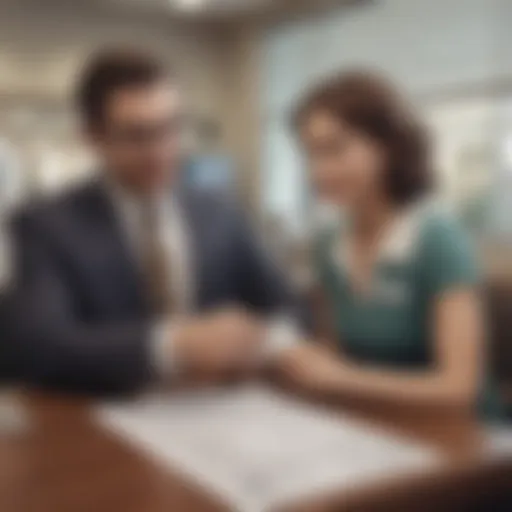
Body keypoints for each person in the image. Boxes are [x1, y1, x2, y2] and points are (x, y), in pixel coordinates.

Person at [7, 49, 301, 394]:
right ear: (92, 137)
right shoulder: (46, 225)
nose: (162, 150)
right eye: (137, 135)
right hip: (109, 420)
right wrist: (170, 346)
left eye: (171, 128)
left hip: (225, 406)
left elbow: (291, 310)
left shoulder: (221, 212)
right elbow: (36, 349)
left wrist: (257, 341)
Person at [278, 71, 490, 414]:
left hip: (461, 435)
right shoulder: (328, 244)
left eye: (335, 149)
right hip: (380, 422)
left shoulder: (437, 239)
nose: (319, 171)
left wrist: (340, 378)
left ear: (388, 146)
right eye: (311, 154)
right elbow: (335, 356)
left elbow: (459, 388)